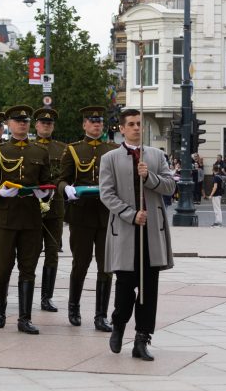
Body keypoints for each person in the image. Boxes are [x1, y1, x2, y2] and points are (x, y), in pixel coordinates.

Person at [99, 108, 176, 362]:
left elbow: (170, 185)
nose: (135, 128)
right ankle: (119, 323)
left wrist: (149, 177)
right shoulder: (110, 158)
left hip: (151, 233)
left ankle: (142, 339)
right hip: (125, 231)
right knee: (125, 286)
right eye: (130, 124)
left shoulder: (155, 155)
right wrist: (131, 214)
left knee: (148, 289)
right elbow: (107, 194)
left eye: (139, 124)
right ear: (121, 129)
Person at [0, 104, 53, 334]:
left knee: (28, 268)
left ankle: (25, 318)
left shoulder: (39, 152)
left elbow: (46, 182)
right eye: (17, 120)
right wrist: (0, 192)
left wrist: (45, 192)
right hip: (4, 218)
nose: (22, 123)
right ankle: (0, 308)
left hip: (30, 218)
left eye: (25, 120)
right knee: (3, 266)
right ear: (9, 124)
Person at [58, 105, 118, 332]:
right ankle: (74, 308)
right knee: (80, 264)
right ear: (84, 124)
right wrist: (67, 189)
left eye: (100, 122)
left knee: (106, 267)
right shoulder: (73, 150)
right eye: (92, 121)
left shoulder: (112, 149)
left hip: (106, 216)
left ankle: (101, 315)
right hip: (81, 215)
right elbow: (61, 180)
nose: (96, 125)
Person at [33, 107, 67, 313]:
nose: (46, 126)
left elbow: (65, 174)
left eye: (50, 124)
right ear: (36, 126)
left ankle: (47, 297)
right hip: (32, 207)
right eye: (43, 123)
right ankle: (27, 290)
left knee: (52, 252)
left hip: (55, 206)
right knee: (31, 251)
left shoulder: (62, 149)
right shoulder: (28, 147)